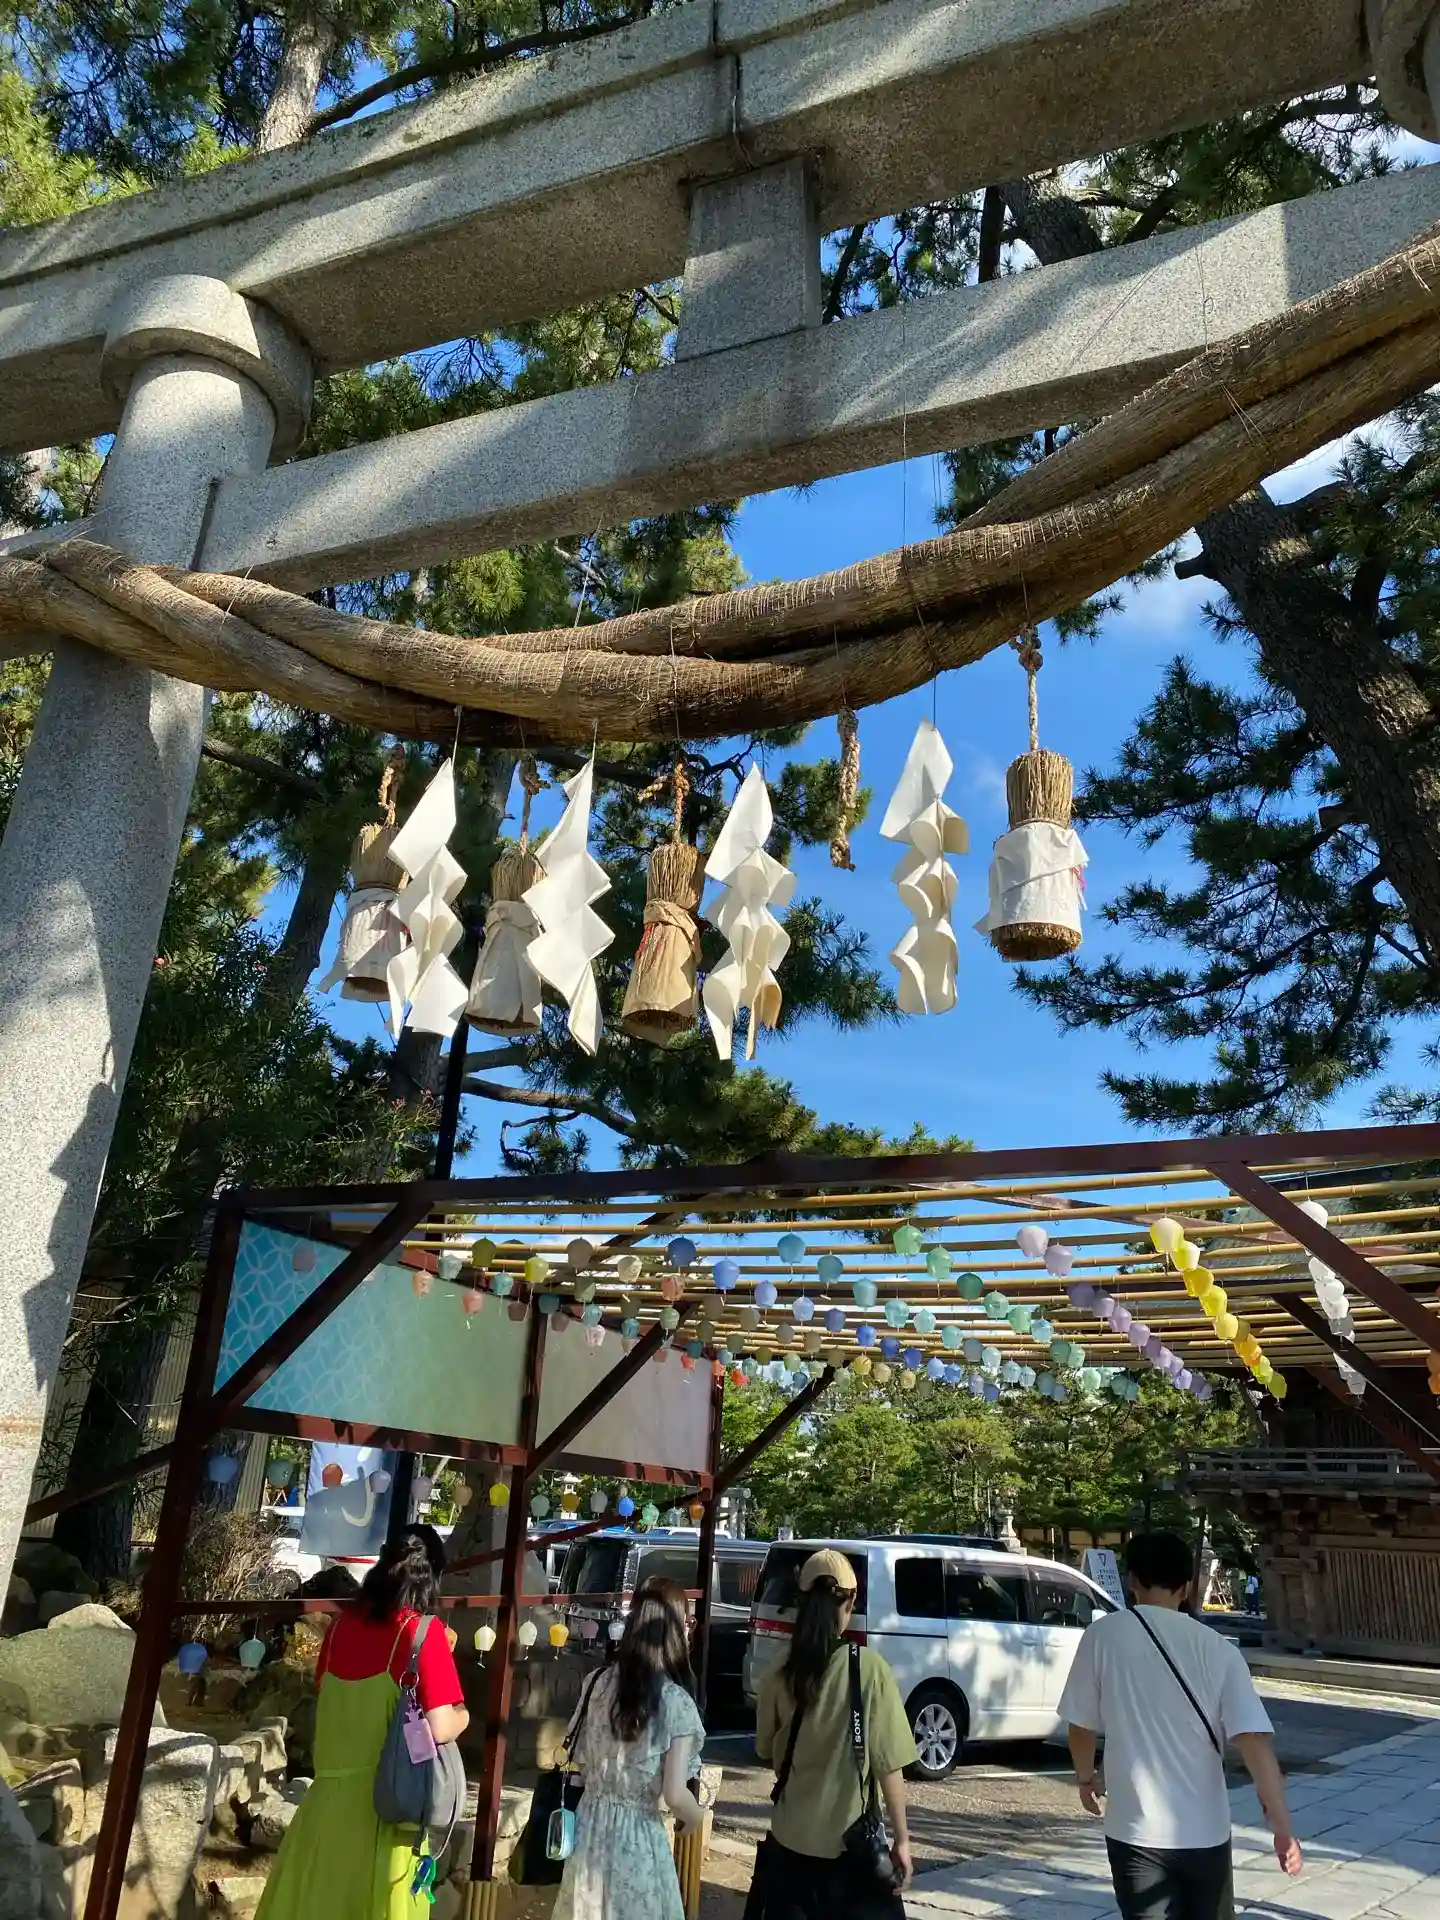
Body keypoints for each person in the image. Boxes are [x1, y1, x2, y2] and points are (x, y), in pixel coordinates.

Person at [1059, 1530, 1302, 1920]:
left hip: (1134, 1830)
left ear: (1132, 1580)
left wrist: (1086, 1779)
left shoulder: (1101, 1637)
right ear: (1187, 1586)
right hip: (1206, 1831)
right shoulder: (1219, 1649)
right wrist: (1282, 1827)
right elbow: (1254, 1743)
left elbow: (1081, 1727)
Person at [255, 1524, 469, 1920]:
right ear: (432, 1576)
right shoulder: (422, 1633)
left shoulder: (340, 1628)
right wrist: (463, 1715)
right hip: (385, 1812)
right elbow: (440, 1726)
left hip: (323, 1810)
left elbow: (329, 1692)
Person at [750, 1550, 916, 1919]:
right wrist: (902, 1840)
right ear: (850, 1602)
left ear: (801, 1600)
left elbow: (764, 1748)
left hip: (789, 1843)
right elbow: (889, 1766)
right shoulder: (869, 1668)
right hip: (849, 1851)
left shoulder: (778, 1670)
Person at [553, 1575, 706, 1920]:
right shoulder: (676, 1703)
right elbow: (675, 1795)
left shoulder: (596, 1683)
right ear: (677, 1629)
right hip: (638, 1839)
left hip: (589, 1829)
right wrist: (696, 1817)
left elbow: (579, 1760)